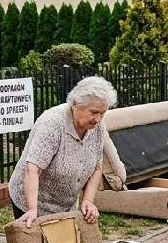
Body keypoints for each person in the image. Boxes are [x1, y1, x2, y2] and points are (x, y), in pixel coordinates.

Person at [9, 76, 118, 227]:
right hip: (32, 201)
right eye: (94, 112)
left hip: (65, 205)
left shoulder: (97, 126)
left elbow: (97, 167)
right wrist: (32, 209)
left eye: (103, 113)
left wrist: (87, 201)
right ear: (75, 105)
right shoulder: (52, 123)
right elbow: (32, 169)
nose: (98, 118)